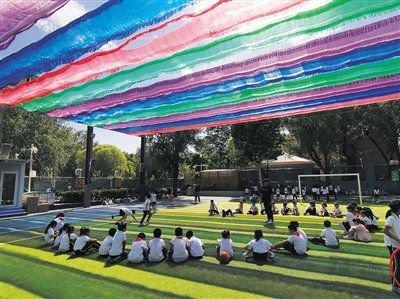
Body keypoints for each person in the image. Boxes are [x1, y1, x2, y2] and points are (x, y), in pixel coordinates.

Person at [384, 200, 400, 295]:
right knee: (398, 266)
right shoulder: (391, 218)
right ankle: (395, 286)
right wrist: (398, 240)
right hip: (396, 246)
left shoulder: (398, 217)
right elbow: (386, 231)